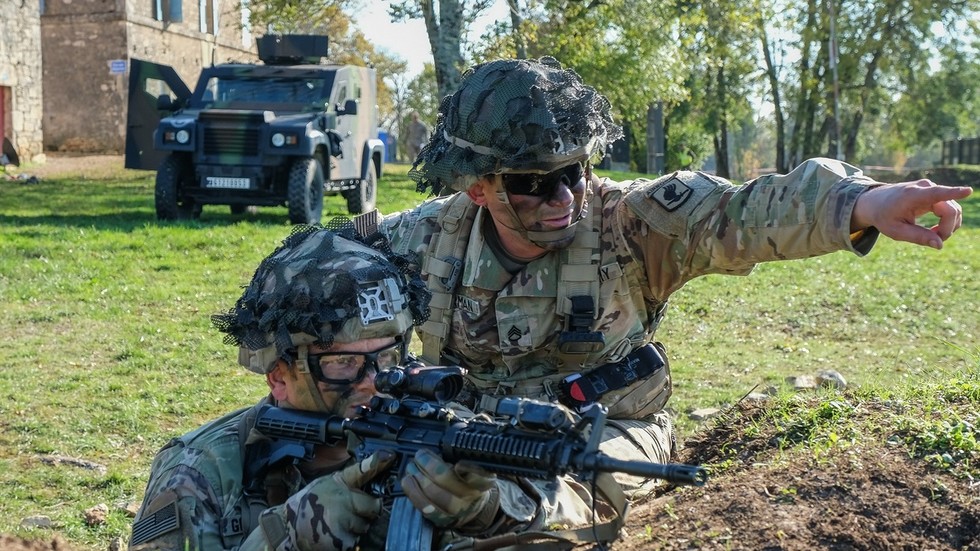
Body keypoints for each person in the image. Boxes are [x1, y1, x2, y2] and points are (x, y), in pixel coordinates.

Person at [378, 56, 973, 493]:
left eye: (575, 171)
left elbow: (743, 211)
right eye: (532, 182)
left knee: (554, 497)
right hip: (462, 433)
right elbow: (322, 265)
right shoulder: (427, 235)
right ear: (478, 187)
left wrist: (863, 203)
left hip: (601, 437)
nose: (564, 195)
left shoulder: (633, 222)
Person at [129, 225, 630, 551]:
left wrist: (491, 508)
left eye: (388, 356)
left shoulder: (447, 430)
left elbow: (586, 509)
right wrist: (284, 538)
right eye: (344, 363)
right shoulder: (202, 470)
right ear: (278, 376)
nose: (373, 381)